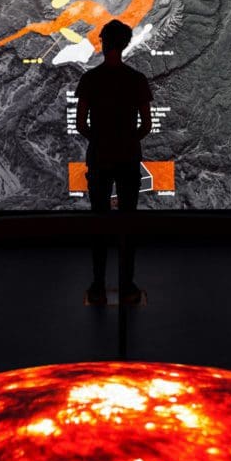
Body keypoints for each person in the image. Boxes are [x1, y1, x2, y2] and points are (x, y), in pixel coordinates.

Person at [75, 20, 153, 306]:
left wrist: (100, 140)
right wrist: (128, 141)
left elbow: (81, 123)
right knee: (128, 224)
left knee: (99, 223)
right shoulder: (137, 79)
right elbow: (145, 124)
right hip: (128, 159)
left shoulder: (91, 79)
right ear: (124, 43)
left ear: (104, 42)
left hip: (99, 158)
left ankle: (97, 284)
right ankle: (127, 283)